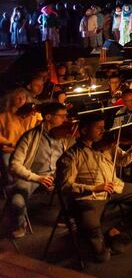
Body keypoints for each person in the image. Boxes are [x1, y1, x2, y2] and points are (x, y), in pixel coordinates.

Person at [56, 114, 132, 262]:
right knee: (102, 257)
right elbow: (66, 186)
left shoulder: (107, 145)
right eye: (98, 128)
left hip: (114, 187)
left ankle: (117, 231)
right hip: (90, 197)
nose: (103, 131)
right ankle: (94, 241)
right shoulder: (71, 155)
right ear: (83, 131)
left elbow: (123, 161)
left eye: (103, 128)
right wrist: (94, 188)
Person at [8, 102, 72, 238]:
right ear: (48, 117)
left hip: (55, 176)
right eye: (62, 116)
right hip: (32, 176)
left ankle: (65, 216)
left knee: (78, 187)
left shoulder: (64, 137)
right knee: (17, 202)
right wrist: (37, 178)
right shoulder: (30, 136)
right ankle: (20, 224)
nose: (65, 120)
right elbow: (14, 165)